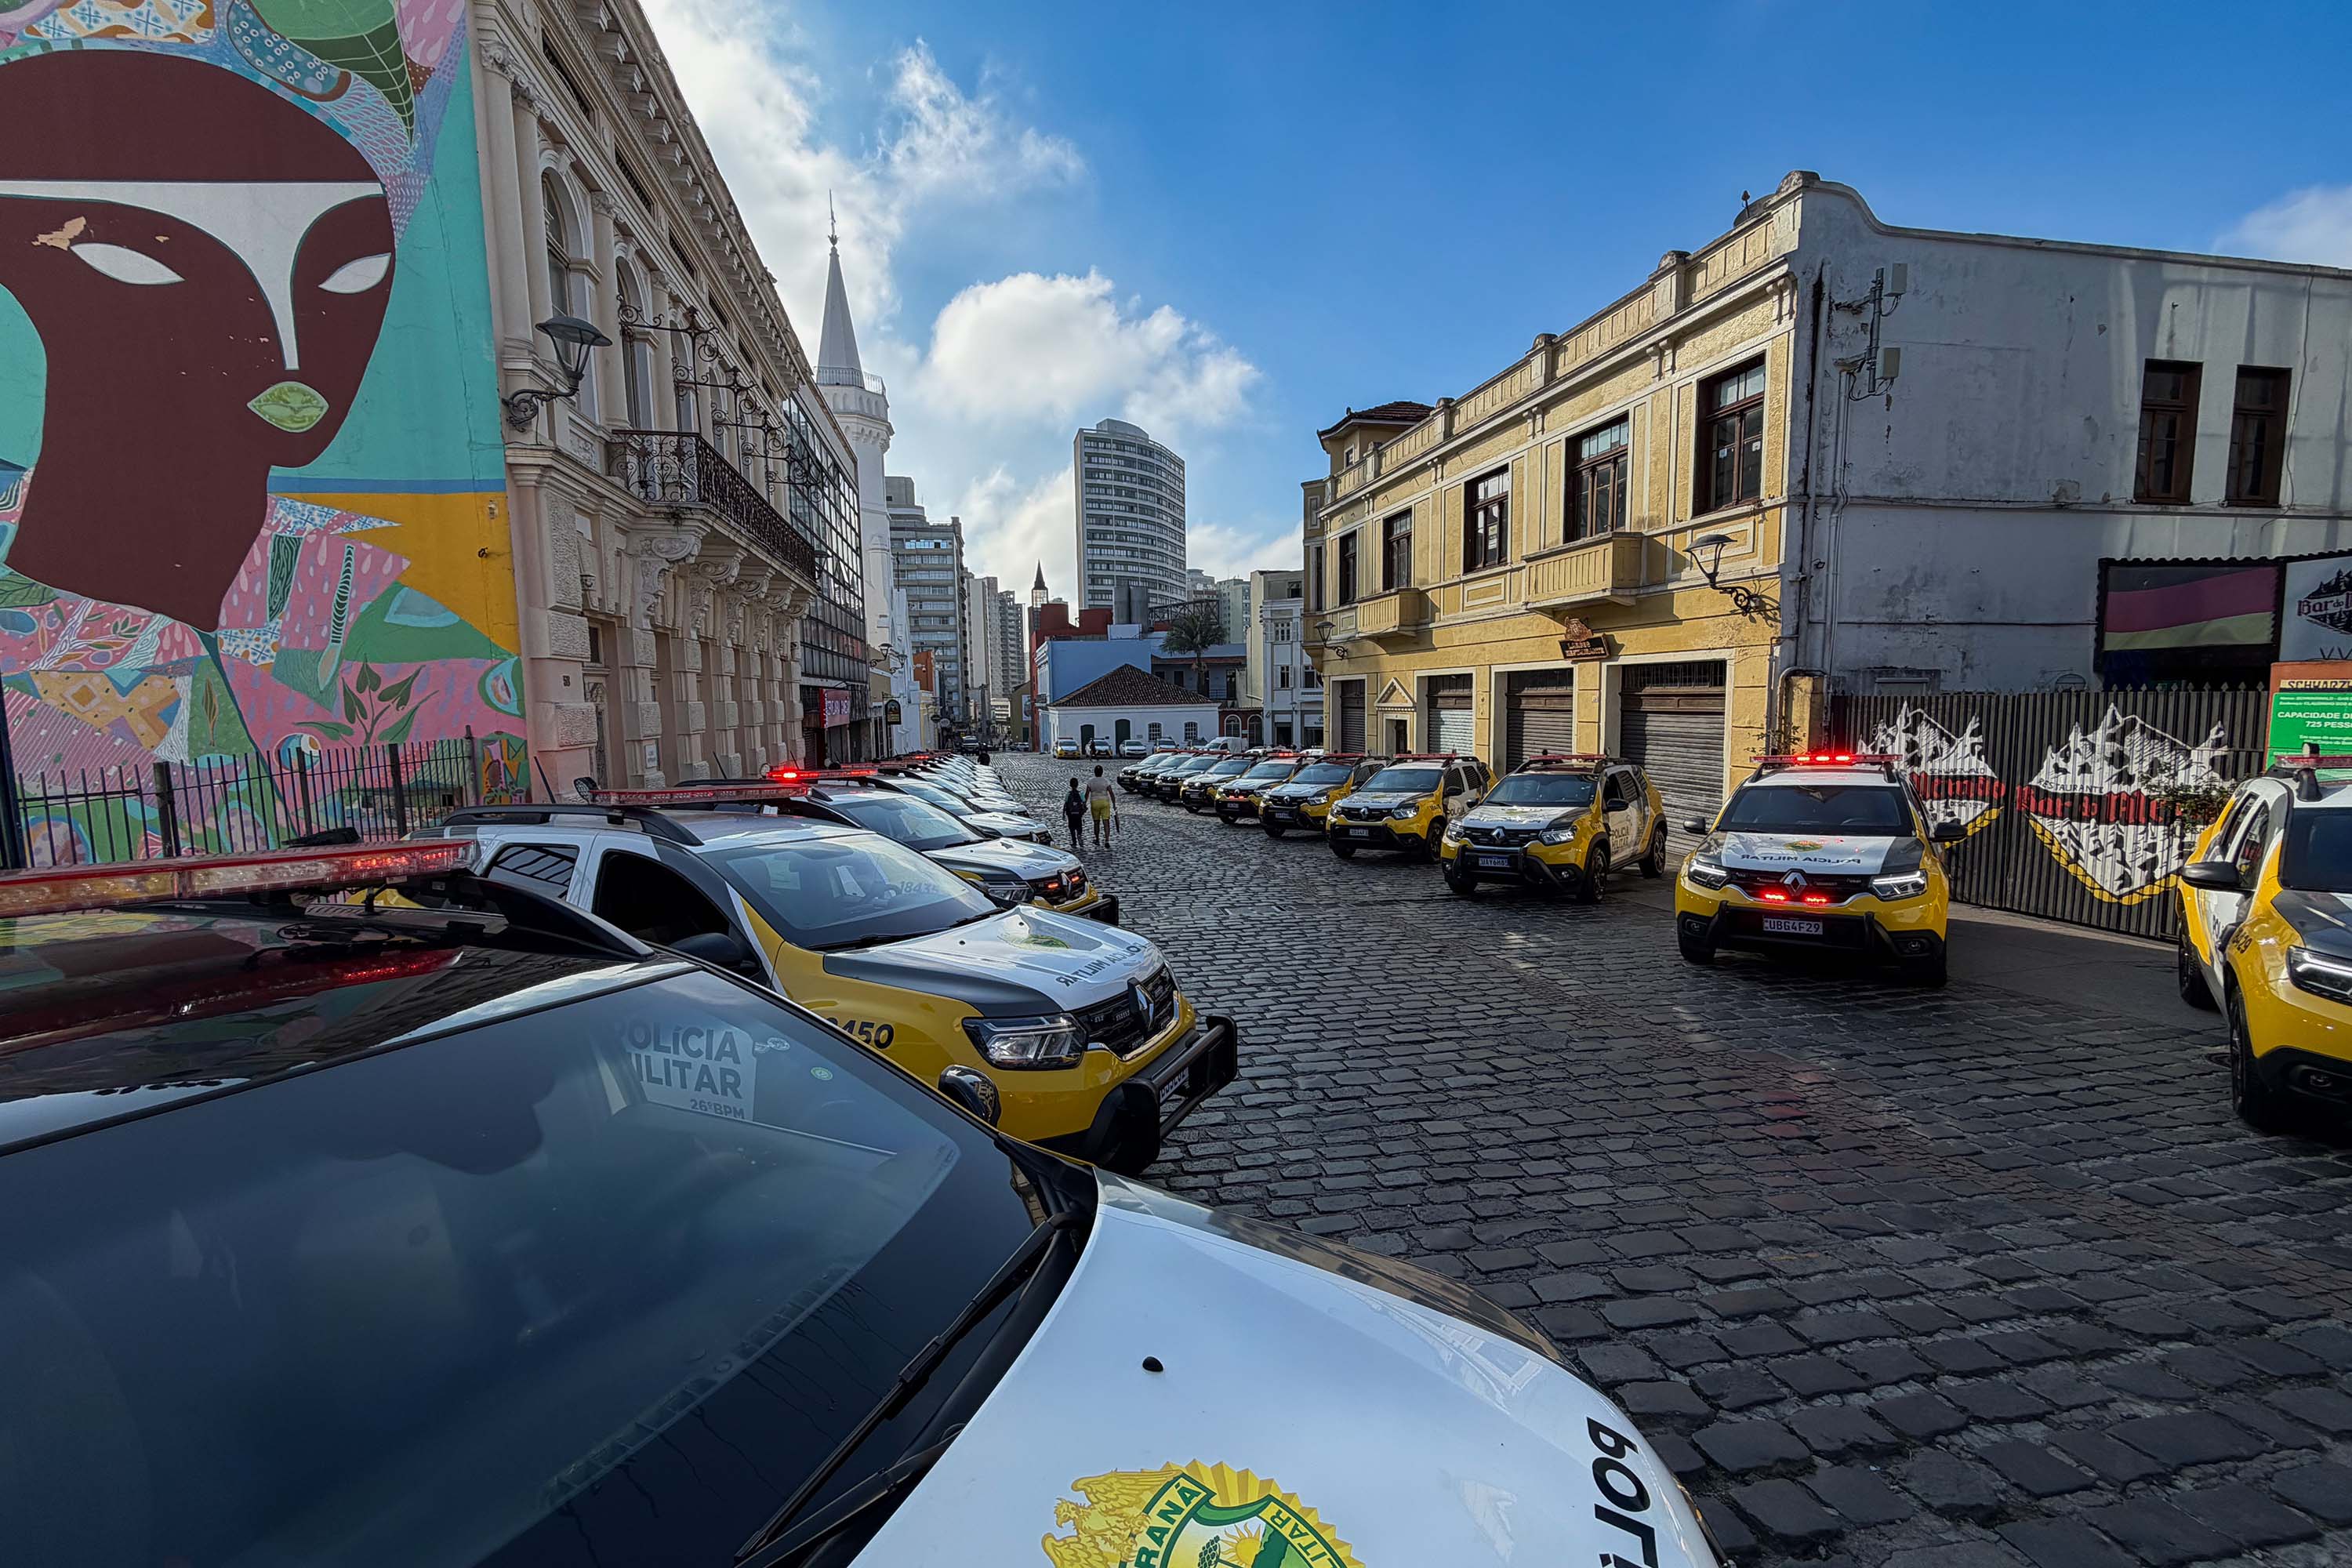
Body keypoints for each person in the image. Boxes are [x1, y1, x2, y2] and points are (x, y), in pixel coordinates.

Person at [1084, 764, 1119, 848]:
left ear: (1095, 772)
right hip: (1105, 802)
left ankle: (1097, 839)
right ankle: (1107, 840)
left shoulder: (1090, 781)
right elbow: (1111, 793)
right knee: (1106, 822)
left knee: (1096, 822)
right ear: (1102, 772)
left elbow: (1087, 794)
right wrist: (1114, 804)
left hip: (1094, 803)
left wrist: (1084, 804)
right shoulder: (1106, 781)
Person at [1062, 778, 1087, 850]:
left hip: (1071, 814)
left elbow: (1066, 803)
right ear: (1077, 785)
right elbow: (1084, 802)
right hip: (1078, 814)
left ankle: (1074, 841)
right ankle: (1079, 835)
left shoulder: (1068, 794)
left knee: (1071, 828)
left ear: (1070, 785)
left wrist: (1064, 814)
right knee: (1079, 826)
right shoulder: (1080, 794)